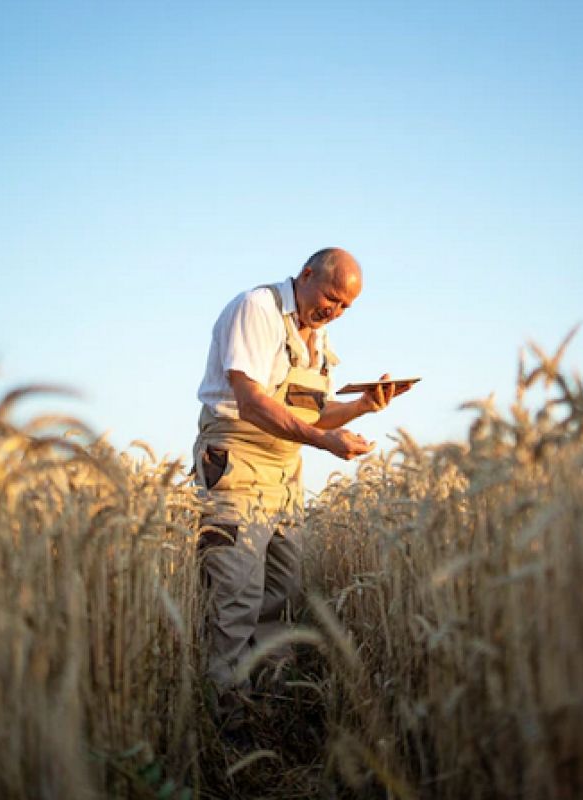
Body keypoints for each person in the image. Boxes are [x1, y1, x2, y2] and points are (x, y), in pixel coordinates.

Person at [191, 246, 407, 735]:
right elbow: (251, 403)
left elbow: (312, 414)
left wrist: (362, 408)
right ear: (307, 275)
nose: (335, 311)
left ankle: (270, 714)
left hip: (285, 470)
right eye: (331, 297)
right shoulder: (258, 309)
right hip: (237, 461)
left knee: (281, 593)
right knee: (236, 597)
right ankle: (229, 729)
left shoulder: (318, 339)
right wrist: (324, 443)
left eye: (346, 307)